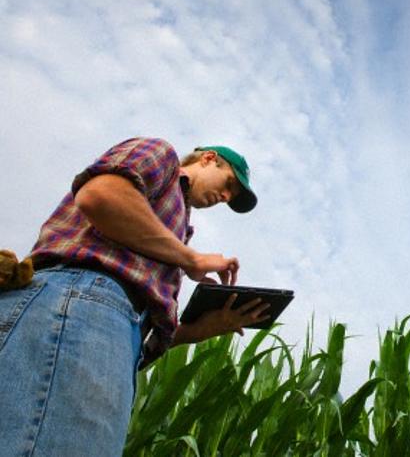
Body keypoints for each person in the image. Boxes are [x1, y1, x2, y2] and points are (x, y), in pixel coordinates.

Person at [0, 137, 270, 456]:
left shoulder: (177, 228)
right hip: (80, 301)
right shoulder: (164, 157)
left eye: (231, 197)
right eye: (228, 184)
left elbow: (132, 329)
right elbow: (100, 195)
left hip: (102, 325)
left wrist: (195, 332)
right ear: (209, 159)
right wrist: (191, 259)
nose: (225, 197)